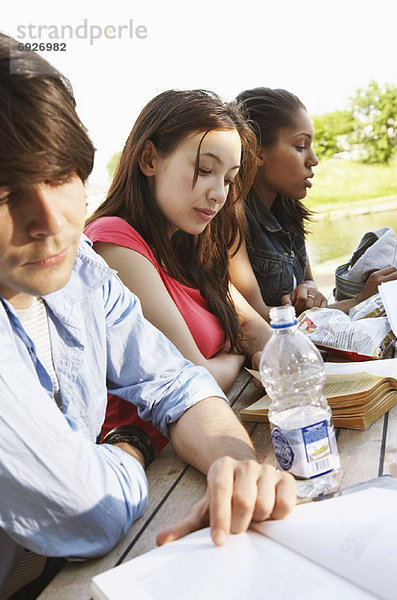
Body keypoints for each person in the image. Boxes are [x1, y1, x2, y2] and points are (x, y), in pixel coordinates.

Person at [0, 35, 296, 600]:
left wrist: (234, 462)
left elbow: (174, 379)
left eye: (62, 175)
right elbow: (86, 510)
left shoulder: (80, 268)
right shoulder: (111, 243)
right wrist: (133, 441)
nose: (51, 219)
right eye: (2, 193)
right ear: (148, 158)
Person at [85, 89, 272, 451]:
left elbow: (253, 328)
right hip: (151, 462)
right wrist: (238, 354)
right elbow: (193, 377)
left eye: (229, 178)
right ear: (149, 159)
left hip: (214, 432)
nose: (219, 193)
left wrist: (263, 351)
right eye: (205, 170)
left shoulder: (188, 243)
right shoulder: (114, 243)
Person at [229, 87, 397, 320]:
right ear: (256, 152)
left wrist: (308, 290)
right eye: (300, 146)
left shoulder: (288, 211)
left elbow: (308, 279)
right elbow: (258, 317)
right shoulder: (233, 220)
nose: (314, 160)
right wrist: (360, 301)